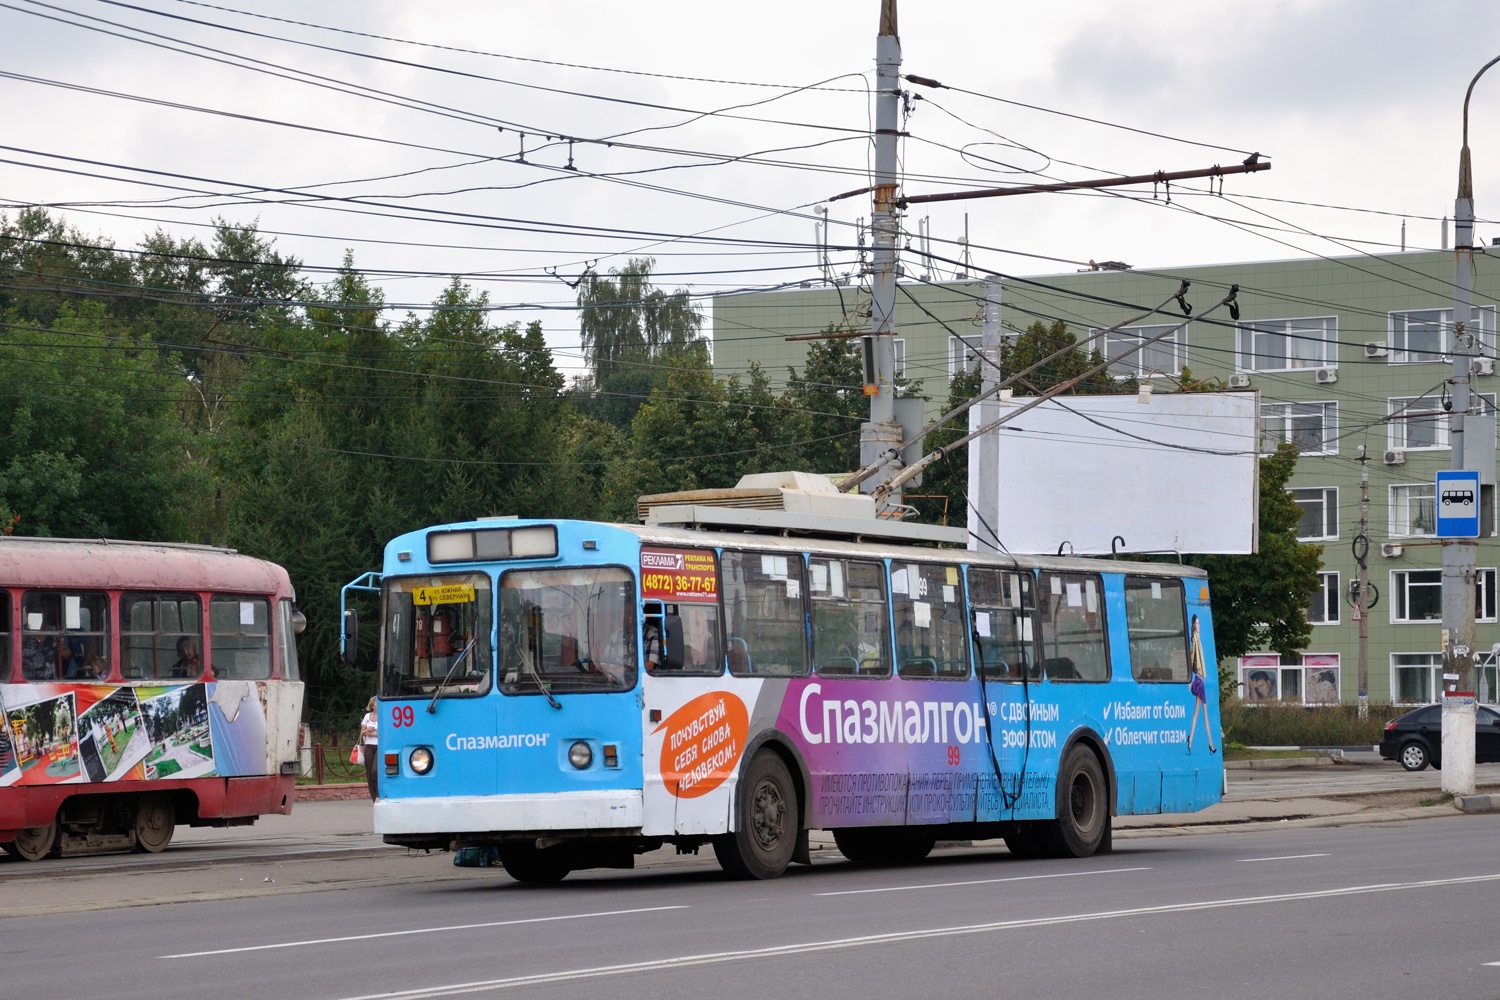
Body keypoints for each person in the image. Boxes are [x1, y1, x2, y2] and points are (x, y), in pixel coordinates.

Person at [1186, 614, 1218, 753]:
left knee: (1197, 712)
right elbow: (1192, 657)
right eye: (1197, 623)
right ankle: (1211, 744)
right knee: (1204, 713)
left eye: (1199, 623)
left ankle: (1191, 739)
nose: (1199, 625)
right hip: (1199, 680)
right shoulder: (1195, 638)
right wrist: (1191, 680)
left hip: (1199, 680)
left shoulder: (1197, 638)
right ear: (1193, 625)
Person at [359, 697, 379, 802]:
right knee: (369, 772)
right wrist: (367, 730)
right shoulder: (367, 716)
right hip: (369, 745)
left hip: (379, 746)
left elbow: (384, 732)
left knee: (375, 770)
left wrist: (373, 734)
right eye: (376, 703)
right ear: (372, 705)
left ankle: (379, 793)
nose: (378, 704)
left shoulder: (383, 716)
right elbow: (362, 731)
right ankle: (374, 797)